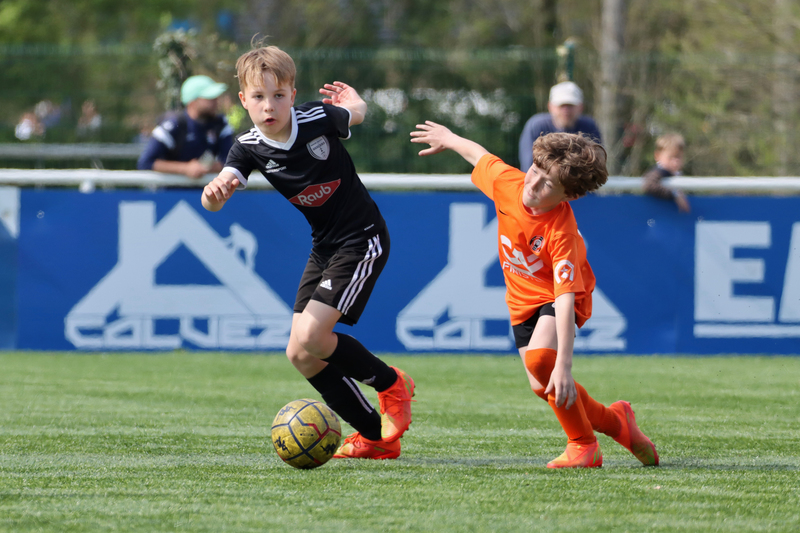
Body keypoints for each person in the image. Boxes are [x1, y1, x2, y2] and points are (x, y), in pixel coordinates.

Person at [201, 45, 415, 460]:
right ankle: (376, 438)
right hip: (325, 247)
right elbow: (218, 192)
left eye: (278, 95)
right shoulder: (247, 146)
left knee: (314, 336)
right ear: (243, 100)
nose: (269, 106)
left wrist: (354, 102)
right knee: (300, 352)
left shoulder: (316, 118)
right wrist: (214, 194)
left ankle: (391, 383)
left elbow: (356, 113)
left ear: (293, 96)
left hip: (362, 237)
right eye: (259, 97)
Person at [411, 122, 659, 469]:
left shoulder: (561, 232)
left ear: (569, 196)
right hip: (520, 300)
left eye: (547, 184)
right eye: (534, 171)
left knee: (544, 362)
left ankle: (583, 445)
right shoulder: (510, 184)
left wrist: (564, 364)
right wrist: (449, 139)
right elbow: (480, 156)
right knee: (542, 384)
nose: (533, 184)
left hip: (559, 297)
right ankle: (617, 422)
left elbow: (565, 299)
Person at [138, 75, 234, 179]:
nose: (216, 102)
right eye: (209, 98)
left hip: (207, 189)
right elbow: (146, 162)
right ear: (192, 102)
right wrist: (185, 168)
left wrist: (205, 168)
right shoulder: (173, 125)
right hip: (173, 189)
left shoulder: (220, 125)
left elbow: (230, 162)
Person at [518, 81, 602, 172]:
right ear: (550, 106)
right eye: (561, 106)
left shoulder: (589, 126)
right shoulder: (536, 126)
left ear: (581, 107)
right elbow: (529, 167)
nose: (566, 110)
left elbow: (596, 164)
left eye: (570, 105)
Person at [642, 133, 690, 213]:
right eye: (670, 157)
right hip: (656, 213)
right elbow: (649, 185)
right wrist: (674, 195)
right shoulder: (658, 172)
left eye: (678, 157)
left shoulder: (677, 174)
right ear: (657, 156)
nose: (675, 162)